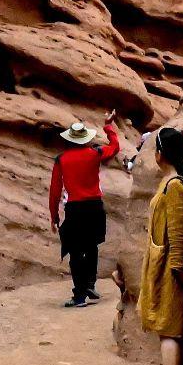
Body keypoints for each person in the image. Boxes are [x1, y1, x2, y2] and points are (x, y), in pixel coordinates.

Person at [137, 126, 183, 365]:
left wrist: (177, 267)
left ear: (161, 154)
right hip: (166, 266)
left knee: (170, 331)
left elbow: (180, 231)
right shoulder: (171, 182)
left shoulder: (175, 186)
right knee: (170, 329)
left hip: (171, 270)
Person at [47, 110, 119, 308]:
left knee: (75, 251)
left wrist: (54, 216)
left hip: (75, 209)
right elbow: (115, 147)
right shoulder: (95, 153)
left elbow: (55, 191)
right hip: (95, 207)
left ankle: (79, 295)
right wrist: (108, 126)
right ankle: (90, 284)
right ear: (84, 139)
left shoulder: (61, 160)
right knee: (92, 246)